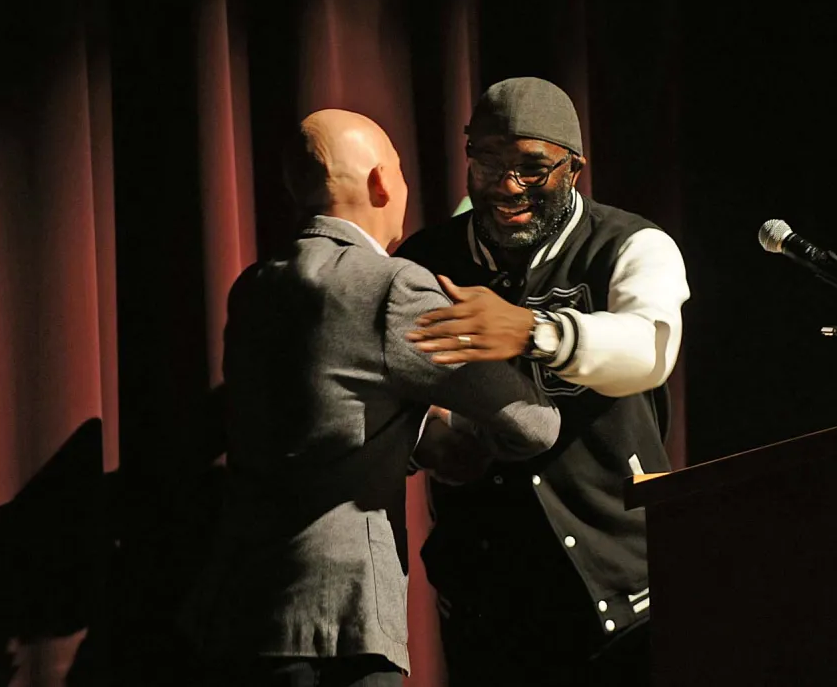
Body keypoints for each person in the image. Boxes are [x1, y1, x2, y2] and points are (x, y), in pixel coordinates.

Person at [180, 109, 560, 687]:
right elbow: (533, 425)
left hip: (243, 615)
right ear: (382, 181)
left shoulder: (255, 286)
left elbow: (320, 412)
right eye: (402, 172)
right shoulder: (393, 286)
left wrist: (416, 434)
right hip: (340, 628)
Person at [396, 77, 690, 686]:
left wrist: (534, 332)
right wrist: (427, 434)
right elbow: (384, 385)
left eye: (533, 168)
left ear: (575, 168)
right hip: (486, 586)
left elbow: (650, 351)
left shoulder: (630, 244)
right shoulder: (423, 259)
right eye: (489, 164)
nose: (507, 187)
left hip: (620, 581)